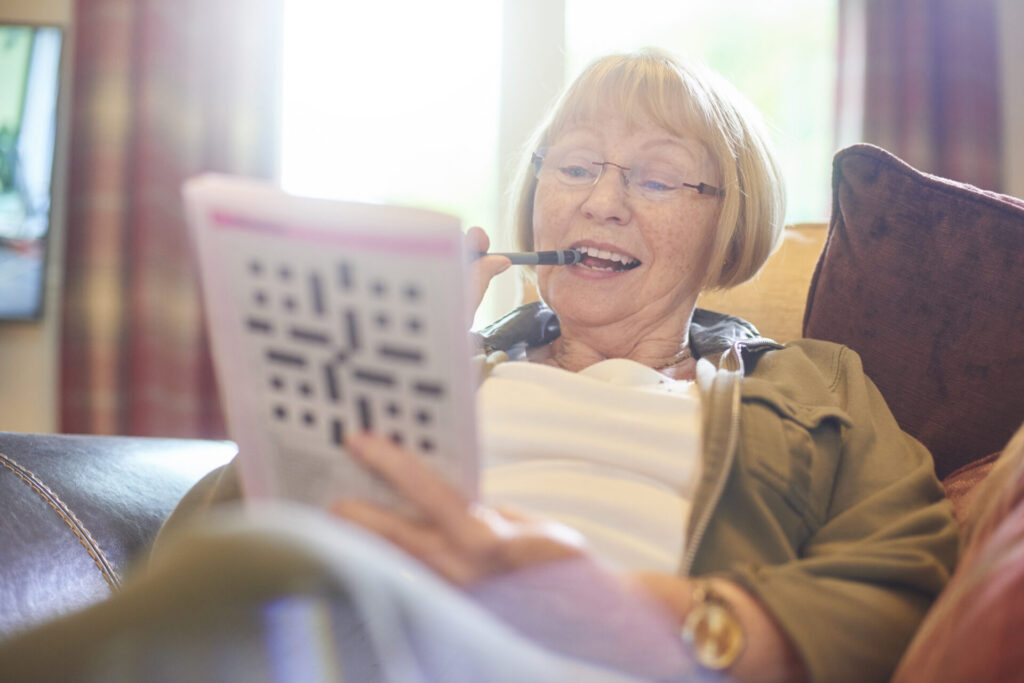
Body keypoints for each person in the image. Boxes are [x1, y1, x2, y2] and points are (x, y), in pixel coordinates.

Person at [1, 49, 956, 682]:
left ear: (728, 224)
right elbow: (202, 552)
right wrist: (374, 379)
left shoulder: (816, 385)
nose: (602, 202)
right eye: (575, 166)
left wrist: (650, 616)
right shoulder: (457, 368)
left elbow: (901, 584)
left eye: (657, 177)